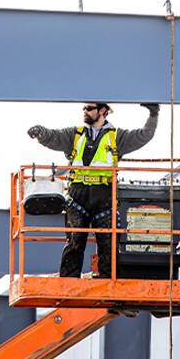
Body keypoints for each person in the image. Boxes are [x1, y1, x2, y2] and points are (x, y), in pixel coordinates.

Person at [28, 102, 160, 278]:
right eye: (84, 108)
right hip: (78, 195)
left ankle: (108, 283)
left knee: (108, 245)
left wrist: (153, 115)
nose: (85, 111)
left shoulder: (116, 137)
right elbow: (54, 137)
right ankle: (68, 282)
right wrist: (41, 133)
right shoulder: (75, 135)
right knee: (74, 243)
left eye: (89, 108)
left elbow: (144, 135)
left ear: (103, 111)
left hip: (103, 196)